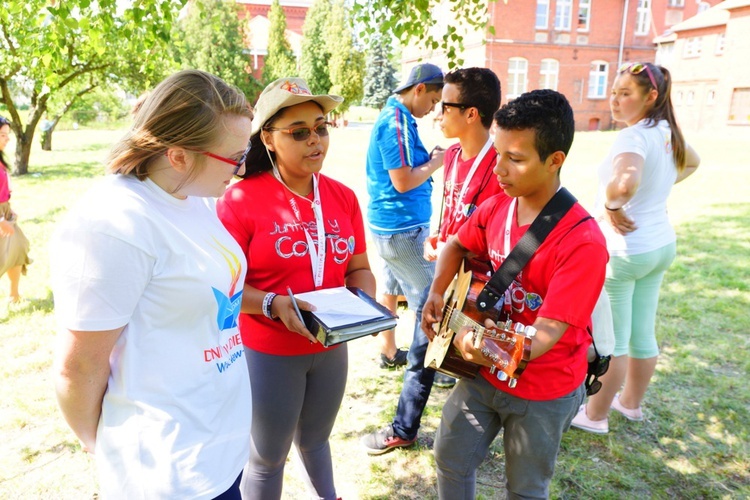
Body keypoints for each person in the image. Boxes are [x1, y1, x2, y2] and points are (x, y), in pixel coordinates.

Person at [51, 69, 253, 499]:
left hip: (220, 451)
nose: (241, 169)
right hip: (166, 474)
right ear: (178, 155)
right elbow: (79, 367)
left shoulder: (193, 196)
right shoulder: (115, 224)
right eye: (235, 157)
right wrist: (99, 444)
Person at [421, 89, 608, 498]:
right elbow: (455, 245)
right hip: (483, 373)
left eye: (516, 159)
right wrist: (437, 293)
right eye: (498, 153)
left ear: (555, 160)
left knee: (525, 489)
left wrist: (481, 348)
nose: (499, 169)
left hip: (544, 388)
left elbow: (542, 340)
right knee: (449, 457)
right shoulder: (497, 206)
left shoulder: (582, 242)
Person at [216, 77, 376, 500]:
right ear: (268, 138)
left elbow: (358, 266)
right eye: (299, 132)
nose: (315, 140)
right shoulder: (239, 201)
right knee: (268, 458)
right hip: (268, 351)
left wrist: (365, 305)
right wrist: (271, 304)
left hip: (330, 347)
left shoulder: (342, 197)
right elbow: (221, 288)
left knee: (316, 441)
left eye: (321, 127)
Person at [361, 66, 505, 455]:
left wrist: (455, 249)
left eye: (446, 106)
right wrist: (440, 239)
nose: (437, 114)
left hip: (481, 291)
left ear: (471, 113)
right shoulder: (454, 155)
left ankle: (429, 431)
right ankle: (405, 428)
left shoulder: (502, 163)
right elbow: (453, 209)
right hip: (448, 278)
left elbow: (504, 234)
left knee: (469, 362)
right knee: (426, 351)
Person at [571, 62, 700, 434]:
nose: (614, 100)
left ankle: (595, 415)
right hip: (658, 246)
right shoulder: (665, 130)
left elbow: (624, 184)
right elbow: (693, 162)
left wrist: (613, 205)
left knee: (616, 338)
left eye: (625, 93)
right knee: (643, 331)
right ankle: (630, 404)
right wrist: (657, 189)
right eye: (614, 91)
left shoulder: (633, 136)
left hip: (625, 252)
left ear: (651, 97)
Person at [364, 62, 445, 373]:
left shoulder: (397, 117)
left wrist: (427, 159)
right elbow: (402, 180)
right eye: (433, 101)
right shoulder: (395, 122)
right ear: (419, 89)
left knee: (391, 288)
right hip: (403, 228)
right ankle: (430, 367)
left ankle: (387, 350)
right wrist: (437, 162)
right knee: (430, 298)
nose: (433, 109)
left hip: (390, 226)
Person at [0, 116, 31, 307]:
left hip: (5, 212)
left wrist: (8, 211)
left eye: (7, 135)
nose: (7, 139)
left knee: (18, 248)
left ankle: (14, 296)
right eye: (3, 135)